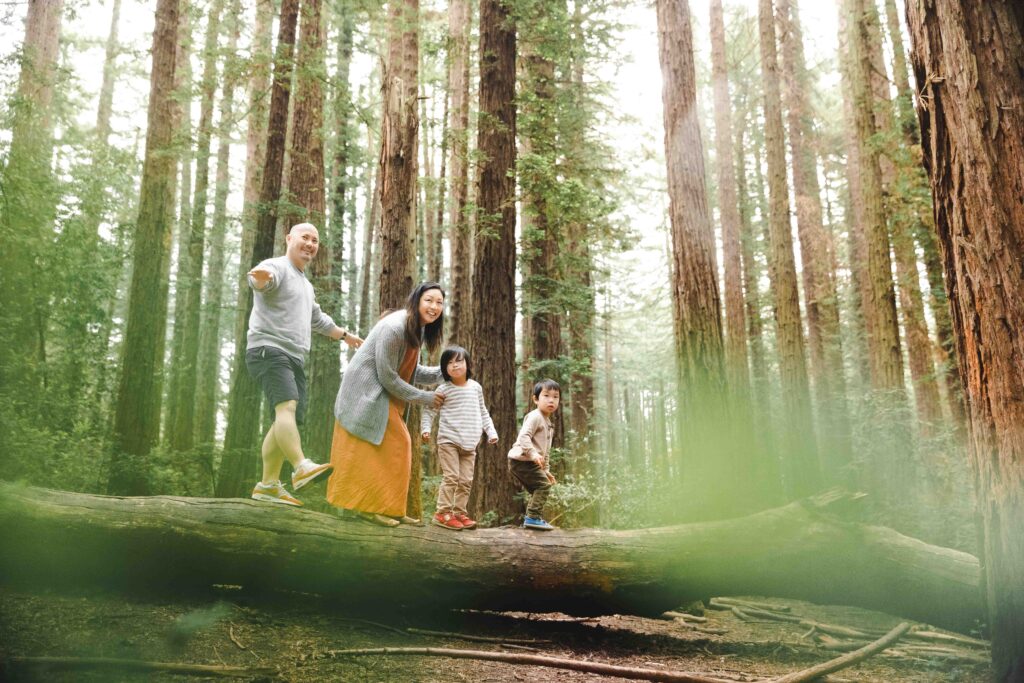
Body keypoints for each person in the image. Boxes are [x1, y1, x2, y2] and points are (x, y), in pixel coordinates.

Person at [246, 222, 363, 506]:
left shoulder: (306, 285)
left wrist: (346, 336)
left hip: (294, 356)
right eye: (305, 238)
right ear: (289, 239)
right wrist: (259, 279)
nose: (310, 244)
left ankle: (269, 486)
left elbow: (319, 320)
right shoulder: (276, 266)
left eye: (315, 240)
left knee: (285, 418)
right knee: (285, 408)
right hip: (269, 349)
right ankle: (300, 467)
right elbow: (262, 280)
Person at [326, 282, 446, 527]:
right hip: (365, 394)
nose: (434, 307)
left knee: (395, 448)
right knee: (394, 444)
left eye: (439, 303)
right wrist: (426, 398)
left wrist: (445, 372)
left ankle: (389, 508)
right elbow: (388, 377)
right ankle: (370, 508)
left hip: (381, 393)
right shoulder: (395, 327)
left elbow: (411, 370)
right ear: (416, 300)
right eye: (429, 300)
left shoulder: (416, 329)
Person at [420, 346, 498, 530]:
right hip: (449, 440)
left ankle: (459, 513)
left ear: (468, 364)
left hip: (470, 443)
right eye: (449, 363)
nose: (455, 365)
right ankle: (442, 513)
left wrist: (491, 432)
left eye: (459, 361)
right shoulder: (443, 389)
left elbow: (483, 412)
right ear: (444, 368)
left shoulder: (475, 388)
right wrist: (425, 429)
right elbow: (429, 410)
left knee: (465, 481)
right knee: (452, 476)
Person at [508, 379, 561, 531]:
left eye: (555, 397)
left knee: (539, 488)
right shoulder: (535, 416)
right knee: (542, 486)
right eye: (546, 395)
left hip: (529, 462)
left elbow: (546, 452)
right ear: (536, 399)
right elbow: (524, 436)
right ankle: (532, 517)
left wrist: (546, 471)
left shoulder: (548, 423)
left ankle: (533, 518)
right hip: (521, 460)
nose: (551, 400)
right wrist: (532, 454)